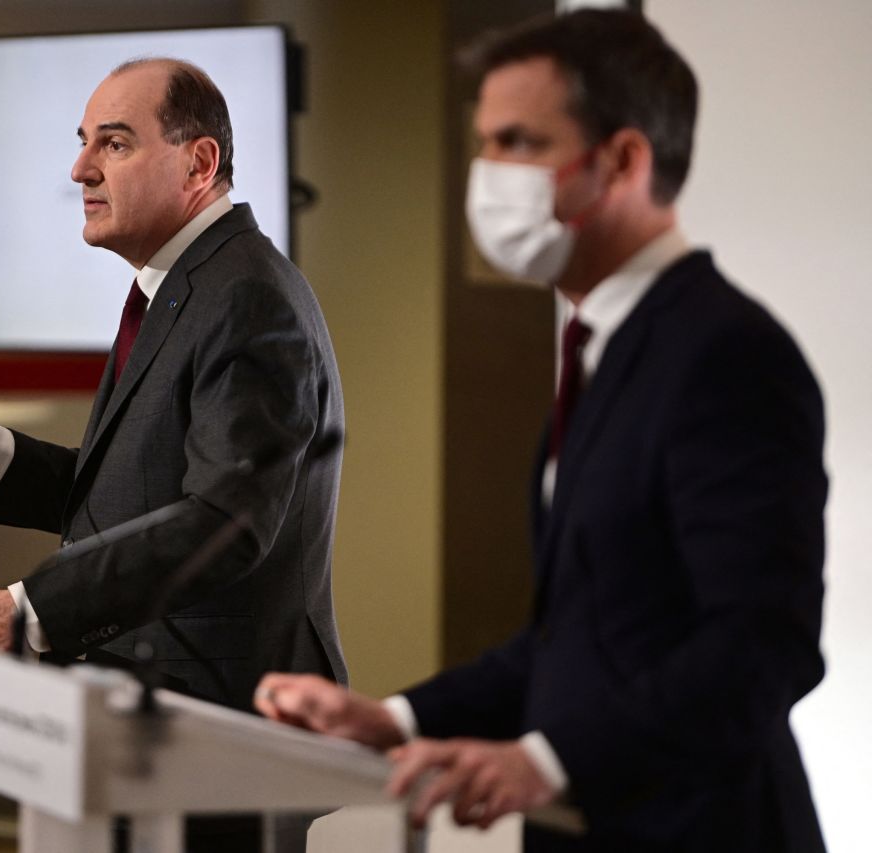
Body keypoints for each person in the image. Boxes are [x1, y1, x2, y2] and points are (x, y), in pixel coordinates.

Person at [255, 10, 827, 853]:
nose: (488, 173)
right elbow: (577, 639)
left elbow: (762, 646)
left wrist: (546, 760)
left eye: (519, 142)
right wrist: (393, 716)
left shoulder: (726, 353)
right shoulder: (603, 347)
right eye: (485, 141)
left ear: (624, 160)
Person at [0, 57, 346, 729]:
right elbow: (137, 493)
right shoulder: (180, 285)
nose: (81, 169)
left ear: (199, 163)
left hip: (224, 720)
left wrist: (30, 605)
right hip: (161, 700)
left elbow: (225, 522)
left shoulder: (246, 296)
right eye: (82, 142)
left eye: (114, 142)